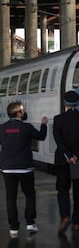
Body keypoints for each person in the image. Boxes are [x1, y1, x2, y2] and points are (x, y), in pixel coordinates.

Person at [0, 101, 48, 238]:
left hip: (8, 168)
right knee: (29, 194)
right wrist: (44, 124)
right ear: (19, 113)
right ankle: (30, 222)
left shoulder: (2, 128)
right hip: (24, 168)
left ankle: (13, 228)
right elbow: (41, 137)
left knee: (11, 197)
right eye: (23, 110)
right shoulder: (26, 127)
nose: (24, 112)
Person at [53, 91, 79, 234]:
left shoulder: (58, 119)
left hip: (64, 161)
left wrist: (68, 155)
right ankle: (77, 222)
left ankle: (65, 216)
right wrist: (77, 156)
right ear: (77, 103)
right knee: (78, 190)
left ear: (65, 103)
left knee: (63, 189)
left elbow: (59, 141)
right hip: (77, 162)